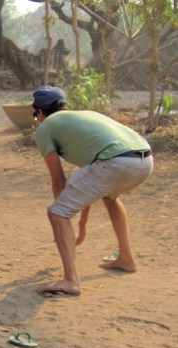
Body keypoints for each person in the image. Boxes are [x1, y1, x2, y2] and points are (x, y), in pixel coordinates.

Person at [33, 86, 153, 296]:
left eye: (35, 114)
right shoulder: (83, 117)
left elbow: (59, 181)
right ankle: (126, 259)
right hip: (144, 160)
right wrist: (81, 224)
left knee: (57, 213)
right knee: (110, 197)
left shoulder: (45, 128)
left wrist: (64, 218)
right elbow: (90, 182)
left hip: (116, 162)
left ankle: (71, 280)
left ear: (40, 112)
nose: (37, 118)